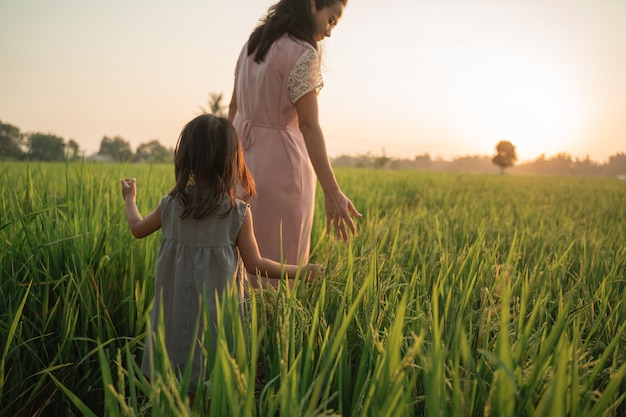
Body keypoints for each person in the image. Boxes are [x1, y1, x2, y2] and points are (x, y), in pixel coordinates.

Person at [120, 114, 322, 397]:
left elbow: (137, 229)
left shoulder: (171, 205)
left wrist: (130, 199)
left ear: (186, 158)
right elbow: (256, 265)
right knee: (212, 373)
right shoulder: (236, 212)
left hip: (174, 308)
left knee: (171, 365)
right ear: (232, 160)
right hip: (217, 313)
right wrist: (300, 270)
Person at [229, 0, 361, 288]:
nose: (329, 32)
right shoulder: (302, 53)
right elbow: (309, 124)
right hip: (282, 169)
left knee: (238, 260)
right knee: (279, 258)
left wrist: (226, 162)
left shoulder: (253, 42)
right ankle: (271, 330)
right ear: (313, 4)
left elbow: (233, 108)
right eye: (331, 20)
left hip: (240, 163)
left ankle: (234, 327)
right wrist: (333, 192)